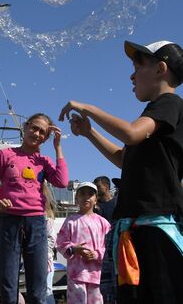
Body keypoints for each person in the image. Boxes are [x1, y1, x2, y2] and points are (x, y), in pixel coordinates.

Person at [59, 40, 183, 304]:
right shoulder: (153, 117)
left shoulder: (169, 103)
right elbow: (123, 159)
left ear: (161, 69)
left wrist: (89, 107)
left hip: (155, 228)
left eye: (138, 65)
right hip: (136, 228)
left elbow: (130, 133)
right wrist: (90, 132)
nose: (131, 74)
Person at [0, 113, 68, 304]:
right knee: (8, 286)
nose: (36, 133)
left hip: (36, 223)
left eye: (42, 132)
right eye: (34, 127)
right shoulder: (5, 154)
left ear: (46, 138)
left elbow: (62, 181)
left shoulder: (43, 161)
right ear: (25, 127)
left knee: (38, 288)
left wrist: (58, 147)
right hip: (8, 221)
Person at [56, 182, 111, 304]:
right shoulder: (70, 221)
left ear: (96, 199)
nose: (86, 197)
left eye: (90, 194)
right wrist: (74, 249)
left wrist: (96, 254)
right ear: (76, 198)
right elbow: (60, 243)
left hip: (97, 275)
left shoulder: (103, 223)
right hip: (76, 275)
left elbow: (109, 246)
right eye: (82, 194)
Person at [93, 176, 117, 304]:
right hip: (100, 249)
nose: (96, 189)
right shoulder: (95, 207)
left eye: (98, 186)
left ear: (106, 187)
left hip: (115, 246)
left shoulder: (117, 203)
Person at [43, 184, 57, 304]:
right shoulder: (48, 216)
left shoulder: (46, 217)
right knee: (46, 290)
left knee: (46, 291)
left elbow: (51, 239)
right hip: (45, 258)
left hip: (45, 259)